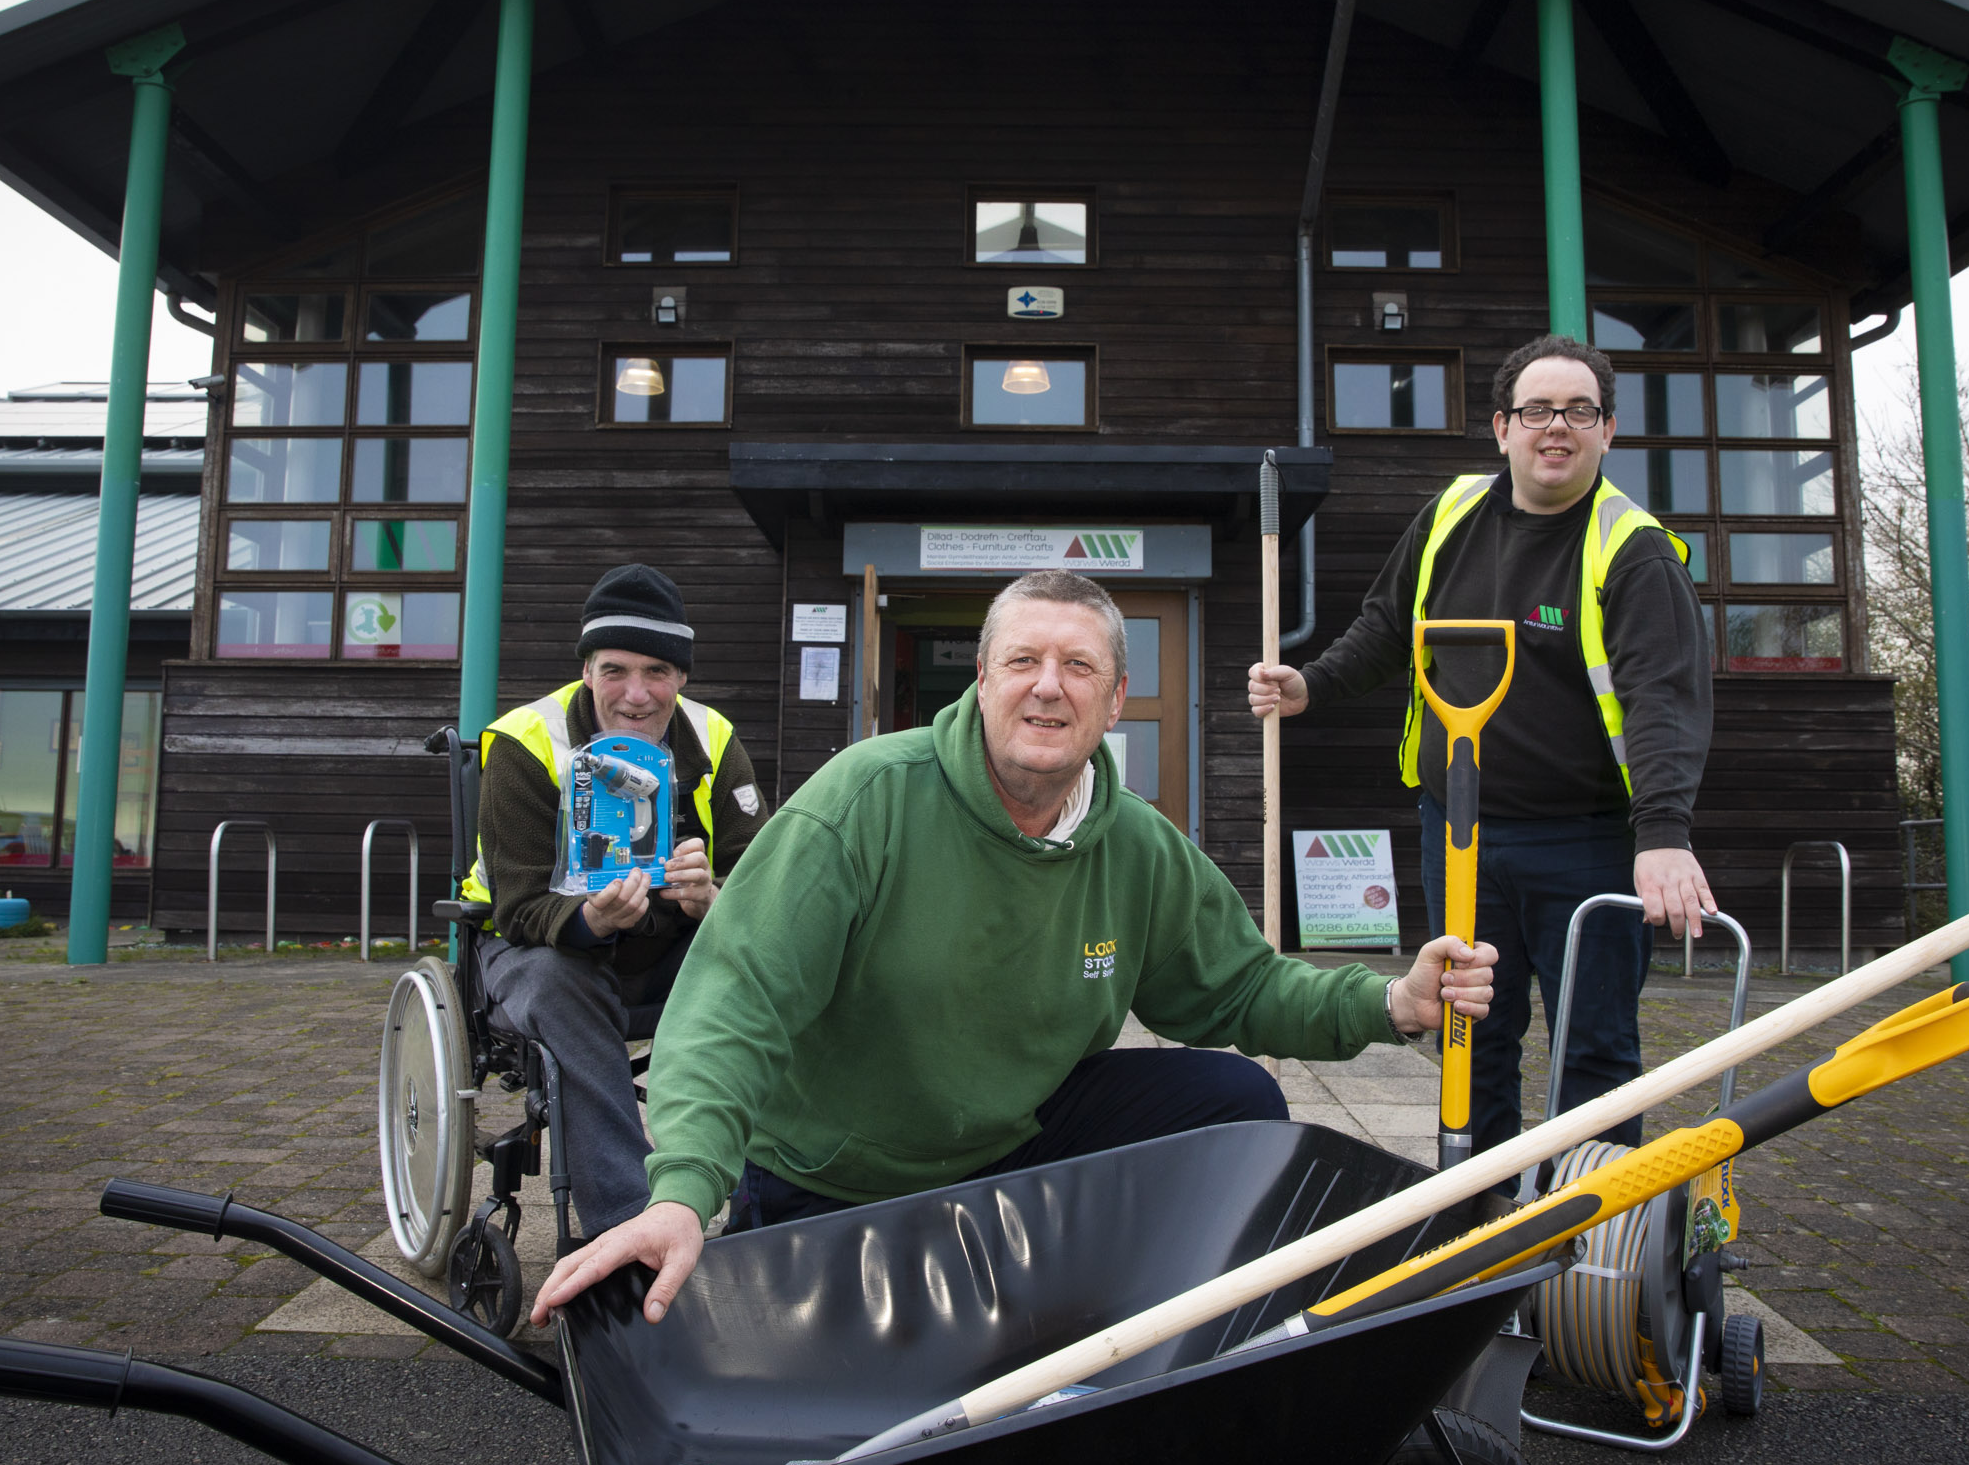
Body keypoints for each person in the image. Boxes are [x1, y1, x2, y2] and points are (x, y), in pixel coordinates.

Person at [529, 569, 1497, 1326]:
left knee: (1235, 1101)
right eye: (1023, 661)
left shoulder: (1138, 848)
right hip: (839, 1172)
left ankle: (1144, 1320)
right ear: (981, 680)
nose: (1048, 687)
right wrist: (685, 1192)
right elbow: (735, 997)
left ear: (1115, 700)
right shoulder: (864, 803)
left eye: (1078, 668)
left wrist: (1391, 1007)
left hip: (1008, 1143)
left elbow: (1239, 990)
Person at [1247, 333, 1715, 1156]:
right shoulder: (1450, 514)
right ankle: (1475, 1215)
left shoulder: (1632, 549)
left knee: (1594, 1046)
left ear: (1608, 430)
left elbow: (1662, 701)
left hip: (1586, 843)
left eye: (1579, 411)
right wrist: (1310, 684)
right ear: (1502, 427)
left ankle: (1585, 1234)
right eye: (1537, 410)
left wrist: (1664, 836)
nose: (1555, 428)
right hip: (1457, 832)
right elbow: (1389, 627)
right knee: (1472, 1035)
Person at [465, 563, 766, 1236]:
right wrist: (587, 918)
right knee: (557, 982)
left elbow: (761, 872)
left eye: (657, 670)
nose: (636, 694)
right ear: (587, 668)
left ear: (681, 675)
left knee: (775, 962)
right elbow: (516, 902)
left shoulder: (712, 738)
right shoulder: (526, 740)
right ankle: (628, 1230)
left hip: (664, 947)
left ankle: (772, 1200)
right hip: (538, 948)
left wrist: (716, 896)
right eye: (615, 670)